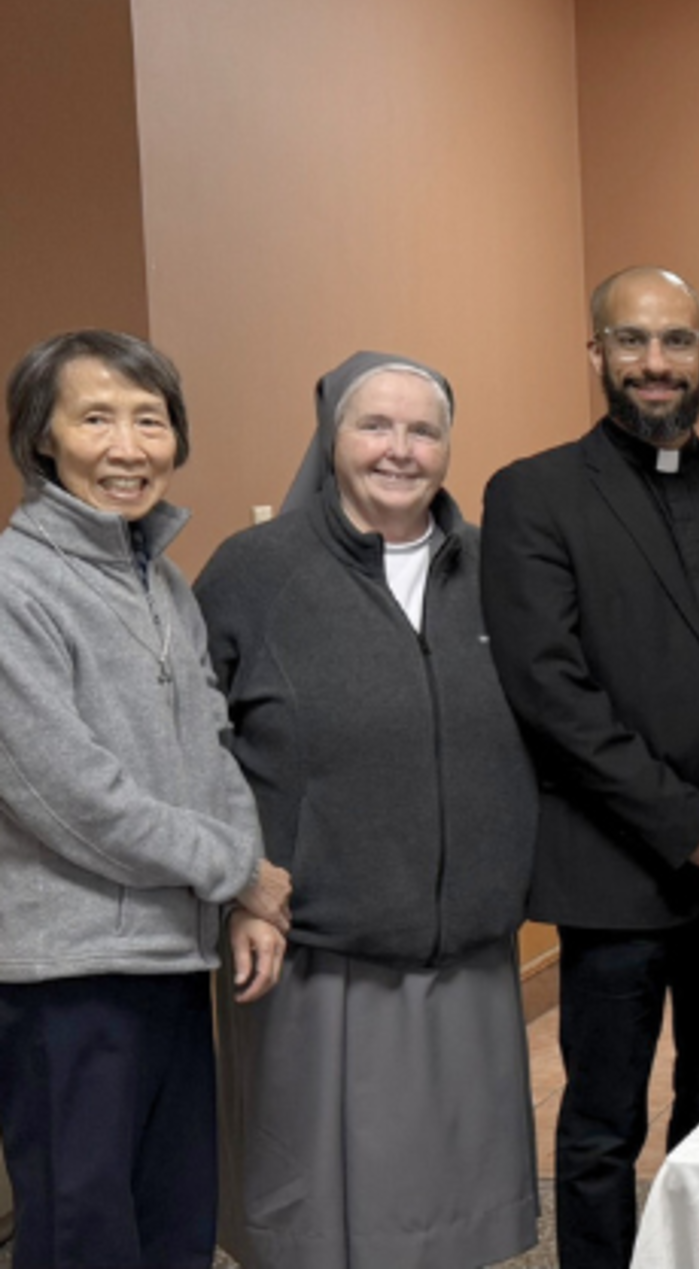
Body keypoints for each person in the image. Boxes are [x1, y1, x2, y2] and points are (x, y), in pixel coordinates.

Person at [482, 268, 699, 1269]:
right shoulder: (532, 494)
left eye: (674, 341)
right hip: (616, 867)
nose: (654, 363)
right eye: (631, 341)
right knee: (600, 1124)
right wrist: (690, 822)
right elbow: (552, 693)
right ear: (597, 357)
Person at [197, 352, 540, 1268]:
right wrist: (239, 881)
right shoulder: (254, 571)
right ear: (331, 438)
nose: (400, 449)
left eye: (423, 429)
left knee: (454, 1199)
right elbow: (194, 744)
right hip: (313, 939)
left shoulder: (501, 571)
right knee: (320, 1213)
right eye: (374, 427)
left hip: (465, 934)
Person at [0, 330, 288, 1268]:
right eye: (96, 418)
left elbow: (211, 745)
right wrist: (238, 869)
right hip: (66, 975)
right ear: (43, 437)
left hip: (169, 957)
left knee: (174, 1220)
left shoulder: (158, 576)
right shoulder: (15, 586)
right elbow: (68, 792)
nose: (129, 447)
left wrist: (235, 893)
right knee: (82, 1233)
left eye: (150, 420)